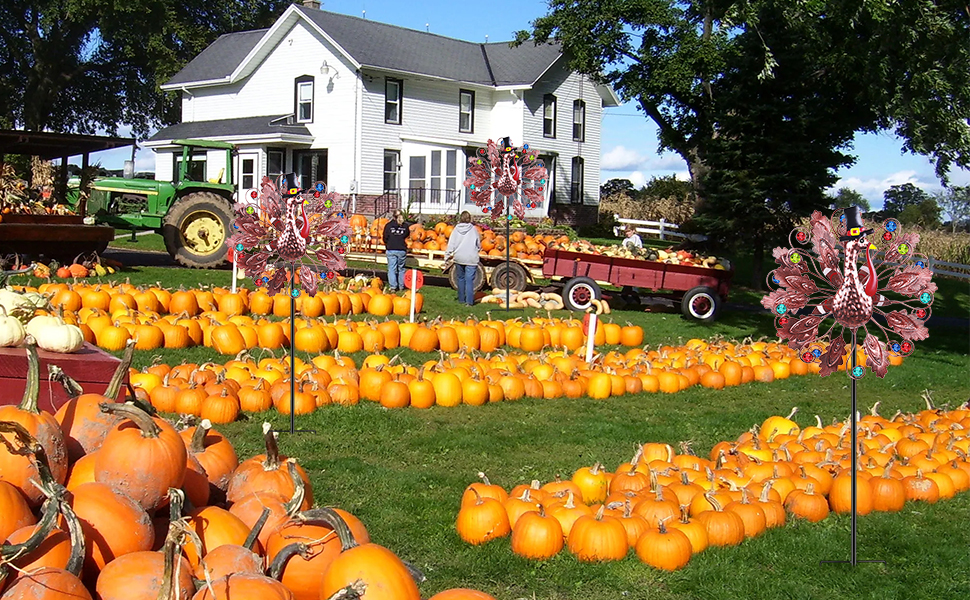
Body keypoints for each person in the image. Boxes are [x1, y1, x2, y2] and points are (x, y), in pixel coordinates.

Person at [445, 211, 482, 306]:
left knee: (460, 278)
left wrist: (447, 256)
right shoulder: (473, 229)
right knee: (469, 280)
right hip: (471, 258)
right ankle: (469, 302)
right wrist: (478, 249)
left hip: (459, 257)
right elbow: (478, 243)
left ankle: (461, 299)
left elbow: (451, 244)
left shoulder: (456, 230)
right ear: (469, 219)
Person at [382, 210, 412, 291]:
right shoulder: (405, 226)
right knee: (401, 268)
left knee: (392, 268)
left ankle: (393, 287)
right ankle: (401, 286)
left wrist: (388, 243)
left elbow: (385, 237)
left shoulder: (388, 225)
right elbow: (406, 235)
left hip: (391, 248)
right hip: (401, 249)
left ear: (393, 216)